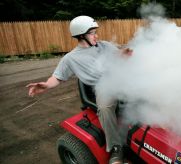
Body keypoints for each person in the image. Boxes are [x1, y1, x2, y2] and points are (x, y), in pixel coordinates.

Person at [26, 15, 132, 164]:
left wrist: (125, 54)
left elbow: (119, 55)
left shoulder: (105, 45)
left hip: (120, 79)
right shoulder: (70, 58)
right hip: (103, 87)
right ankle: (116, 148)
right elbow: (57, 77)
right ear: (81, 35)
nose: (96, 35)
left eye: (95, 32)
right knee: (105, 107)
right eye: (92, 33)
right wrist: (46, 85)